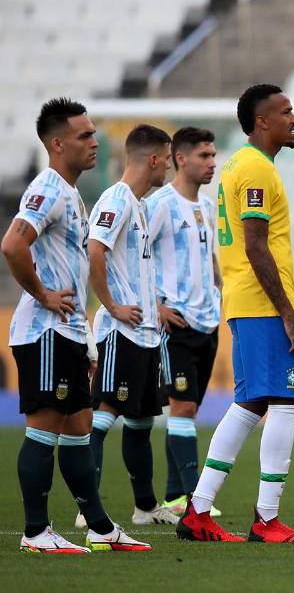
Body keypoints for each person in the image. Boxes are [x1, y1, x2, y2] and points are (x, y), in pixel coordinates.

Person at [5, 98, 150, 552]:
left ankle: (102, 528)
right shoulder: (47, 187)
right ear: (57, 142)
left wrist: (84, 340)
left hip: (67, 332)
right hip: (44, 331)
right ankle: (35, 532)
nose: (94, 142)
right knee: (44, 430)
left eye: (93, 133)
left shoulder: (70, 192)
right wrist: (43, 295)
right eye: (84, 135)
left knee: (79, 429)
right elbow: (13, 245)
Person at [177, 84, 294, 543]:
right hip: (261, 304)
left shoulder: (239, 163)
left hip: (245, 300)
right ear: (263, 121)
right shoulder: (256, 168)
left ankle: (199, 509)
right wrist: (288, 314)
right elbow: (256, 246)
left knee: (255, 401)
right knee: (283, 403)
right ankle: (266, 519)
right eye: (286, 111)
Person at [86, 124, 178, 527]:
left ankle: (144, 507)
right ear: (154, 159)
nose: (170, 170)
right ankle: (87, 508)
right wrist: (112, 306)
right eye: (169, 160)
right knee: (103, 416)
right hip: (120, 332)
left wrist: (152, 305)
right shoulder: (117, 199)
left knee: (140, 421)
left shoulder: (139, 205)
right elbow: (95, 250)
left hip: (144, 333)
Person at [143, 127, 223, 518]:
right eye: (204, 156)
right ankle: (194, 501)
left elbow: (210, 260)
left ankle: (175, 498)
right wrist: (155, 305)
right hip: (175, 321)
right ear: (181, 158)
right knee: (184, 407)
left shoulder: (207, 207)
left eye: (213, 155)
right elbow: (135, 255)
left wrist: (219, 289)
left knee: (186, 410)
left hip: (208, 321)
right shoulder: (160, 203)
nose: (212, 163)